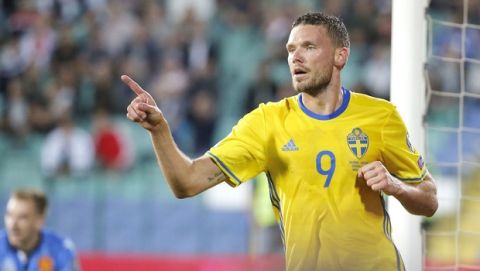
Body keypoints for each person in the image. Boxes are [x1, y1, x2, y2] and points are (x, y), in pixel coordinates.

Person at [122, 12, 438, 271]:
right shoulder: (266, 123)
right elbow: (186, 183)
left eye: (309, 47)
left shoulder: (380, 117)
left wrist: (396, 186)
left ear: (340, 56)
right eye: (290, 49)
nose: (295, 57)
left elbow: (428, 199)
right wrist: (160, 131)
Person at [0, 188, 80, 271]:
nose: (13, 225)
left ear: (39, 221)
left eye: (22, 217)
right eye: (9, 215)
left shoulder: (60, 249)